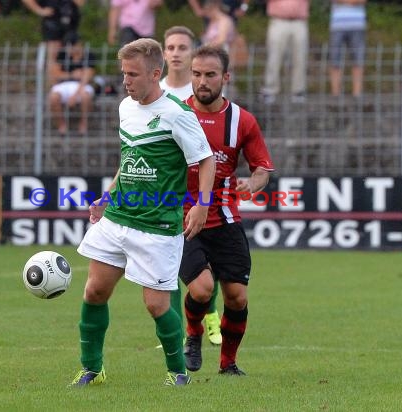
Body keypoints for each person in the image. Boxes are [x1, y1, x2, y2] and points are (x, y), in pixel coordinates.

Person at [70, 38, 216, 387]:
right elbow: (128, 159)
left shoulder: (178, 114)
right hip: (119, 216)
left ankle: (178, 373)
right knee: (94, 292)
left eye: (133, 74)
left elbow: (206, 159)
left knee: (156, 305)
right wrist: (107, 197)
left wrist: (202, 204)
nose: (126, 81)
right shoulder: (125, 108)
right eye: (123, 74)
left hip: (157, 225)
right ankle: (92, 368)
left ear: (155, 73)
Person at [182, 44, 275, 375]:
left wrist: (253, 182)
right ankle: (193, 335)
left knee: (236, 297)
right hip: (185, 218)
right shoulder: (176, 115)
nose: (202, 81)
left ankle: (228, 364)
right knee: (202, 288)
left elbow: (262, 167)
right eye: (196, 74)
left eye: (209, 75)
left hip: (226, 218)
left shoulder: (242, 120)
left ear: (225, 77)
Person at [159, 25, 223, 346]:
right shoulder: (153, 90)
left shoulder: (203, 88)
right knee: (164, 261)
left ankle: (209, 315)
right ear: (163, 52)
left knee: (203, 258)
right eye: (170, 48)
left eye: (182, 47)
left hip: (198, 188)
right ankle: (174, 327)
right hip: (165, 187)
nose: (176, 53)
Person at [22, 0, 83, 86]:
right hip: (53, 21)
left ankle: (77, 85)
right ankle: (54, 88)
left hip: (70, 19)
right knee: (53, 56)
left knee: (77, 52)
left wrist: (76, 6)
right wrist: (39, 10)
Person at [261, 0, 309, 104]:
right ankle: (270, 89)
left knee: (300, 58)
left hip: (299, 21)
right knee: (274, 57)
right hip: (278, 20)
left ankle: (298, 91)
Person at [48, 33, 96, 136]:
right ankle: (61, 125)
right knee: (53, 97)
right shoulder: (62, 55)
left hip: (82, 86)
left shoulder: (88, 55)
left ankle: (84, 124)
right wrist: (71, 74)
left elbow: (87, 77)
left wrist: (75, 95)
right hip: (64, 85)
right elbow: (55, 73)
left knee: (85, 96)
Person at [328, 0, 367, 98]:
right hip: (337, 25)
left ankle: (357, 94)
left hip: (357, 25)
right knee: (335, 60)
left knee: (358, 60)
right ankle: (335, 94)